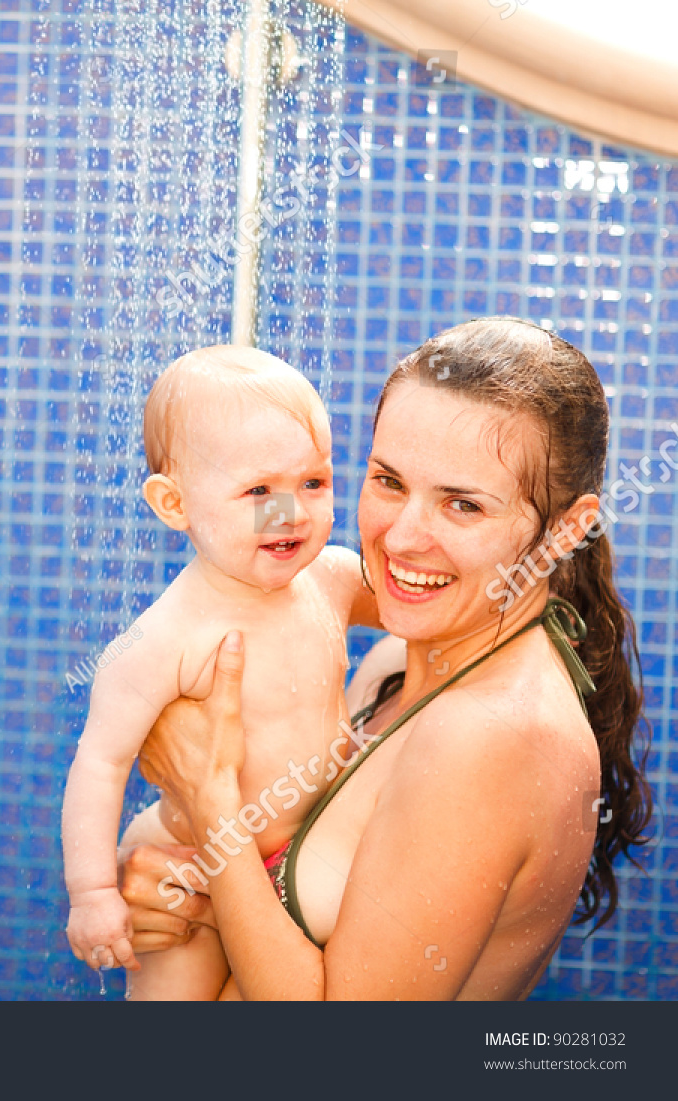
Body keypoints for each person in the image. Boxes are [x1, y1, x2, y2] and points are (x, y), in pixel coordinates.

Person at [119, 318, 651, 999]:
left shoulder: (492, 734)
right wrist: (174, 889)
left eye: (462, 504)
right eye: (390, 481)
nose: (401, 536)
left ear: (566, 529)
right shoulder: (395, 669)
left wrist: (210, 796)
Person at [60, 345, 378, 998]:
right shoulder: (166, 636)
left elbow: (428, 613)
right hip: (192, 864)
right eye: (258, 490)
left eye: (312, 482)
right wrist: (91, 891)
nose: (289, 512)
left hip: (305, 857)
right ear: (174, 503)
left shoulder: (335, 578)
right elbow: (100, 761)